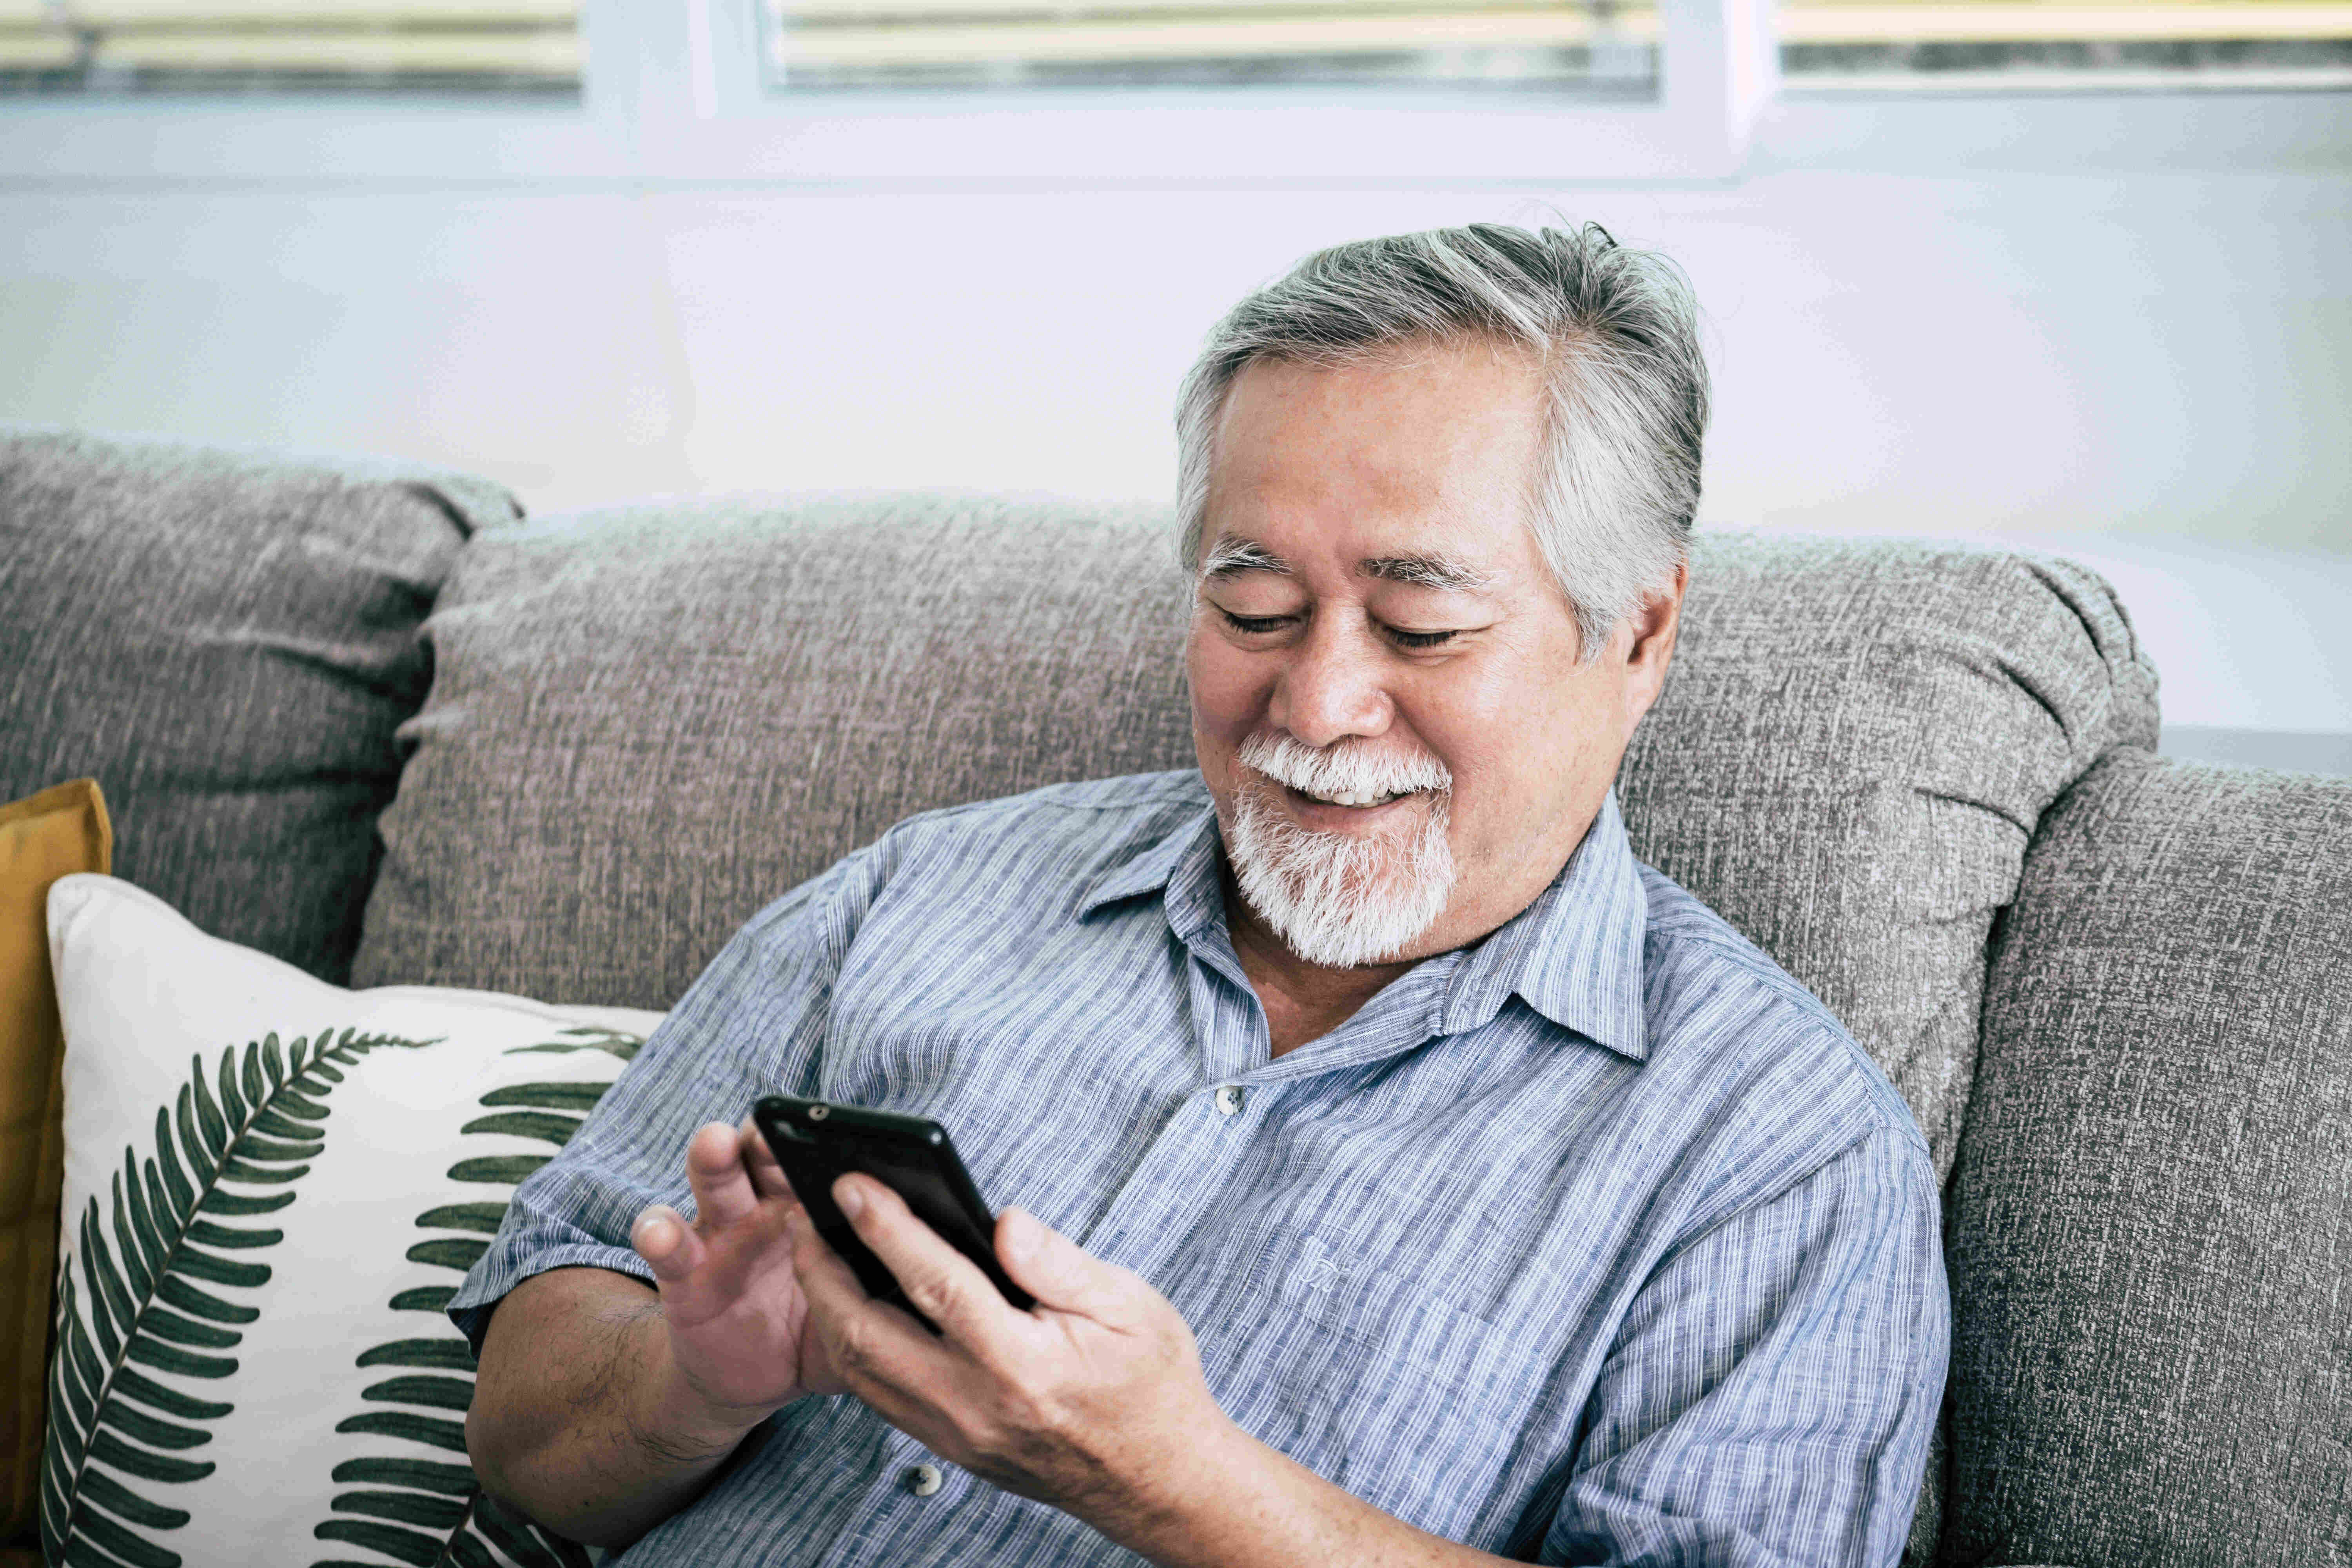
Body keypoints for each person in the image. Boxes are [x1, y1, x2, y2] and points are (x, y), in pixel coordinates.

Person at [455, 221, 1947, 1566]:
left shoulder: (1783, 1159)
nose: (1317, 705)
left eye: (1421, 625)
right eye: (1255, 610)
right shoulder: (918, 897)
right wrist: (692, 1386)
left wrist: (1174, 1481)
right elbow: (528, 1448)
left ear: (1639, 634)